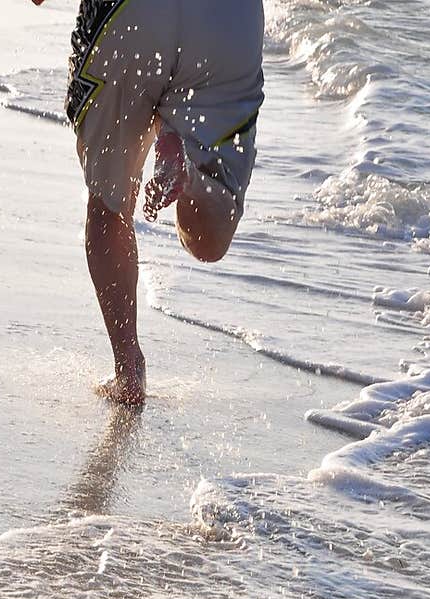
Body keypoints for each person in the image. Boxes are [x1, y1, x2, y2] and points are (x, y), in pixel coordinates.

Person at [31, 0, 265, 406]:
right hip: (228, 22)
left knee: (110, 200)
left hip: (129, 16)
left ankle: (128, 370)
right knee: (209, 242)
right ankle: (190, 177)